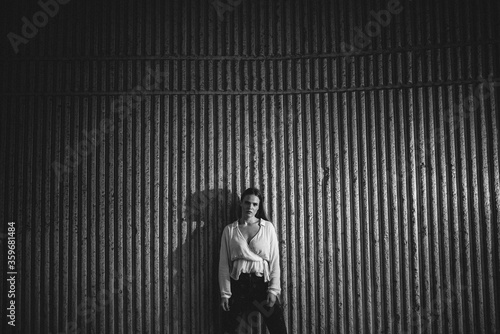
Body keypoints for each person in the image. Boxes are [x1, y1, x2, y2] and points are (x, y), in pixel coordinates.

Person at [218, 187, 288, 333]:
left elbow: (274, 261)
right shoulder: (229, 230)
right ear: (241, 204)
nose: (250, 207)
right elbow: (224, 265)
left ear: (259, 206)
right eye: (247, 203)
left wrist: (273, 290)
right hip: (238, 285)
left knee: (279, 329)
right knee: (227, 329)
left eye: (255, 204)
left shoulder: (267, 228)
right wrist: (225, 294)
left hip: (262, 284)